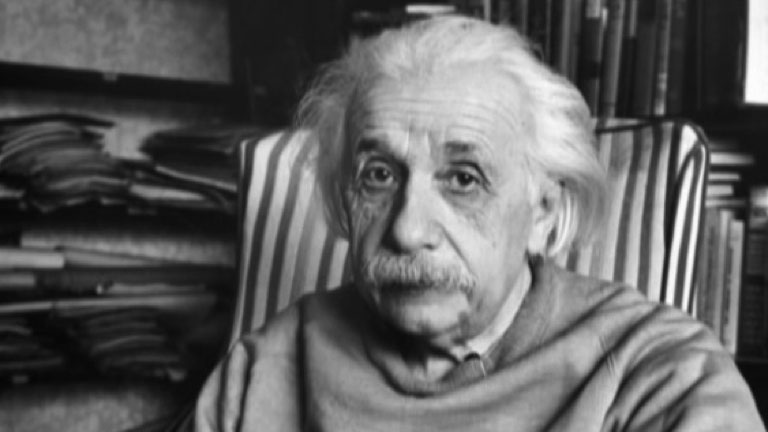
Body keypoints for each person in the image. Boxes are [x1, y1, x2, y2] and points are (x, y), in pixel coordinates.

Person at [195, 16, 765, 431]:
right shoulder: (266, 369)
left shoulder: (657, 374)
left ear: (544, 212)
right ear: (343, 197)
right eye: (379, 175)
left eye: (463, 179)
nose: (408, 230)